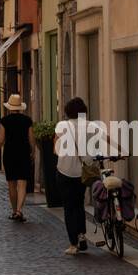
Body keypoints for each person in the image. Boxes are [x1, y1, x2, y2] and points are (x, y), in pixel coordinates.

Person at [57, 96, 90, 255]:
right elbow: (106, 139)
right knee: (79, 204)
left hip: (64, 171)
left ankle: (73, 244)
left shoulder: (62, 126)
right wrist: (121, 150)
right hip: (82, 172)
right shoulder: (88, 126)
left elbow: (54, 148)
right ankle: (82, 234)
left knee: (69, 208)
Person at [0, 94, 34, 222]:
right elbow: (31, 139)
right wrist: (32, 151)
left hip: (10, 153)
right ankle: (19, 210)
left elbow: (1, 139)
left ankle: (13, 211)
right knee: (22, 183)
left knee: (11, 184)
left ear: (9, 107)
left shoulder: (4, 121)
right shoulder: (27, 120)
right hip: (23, 153)